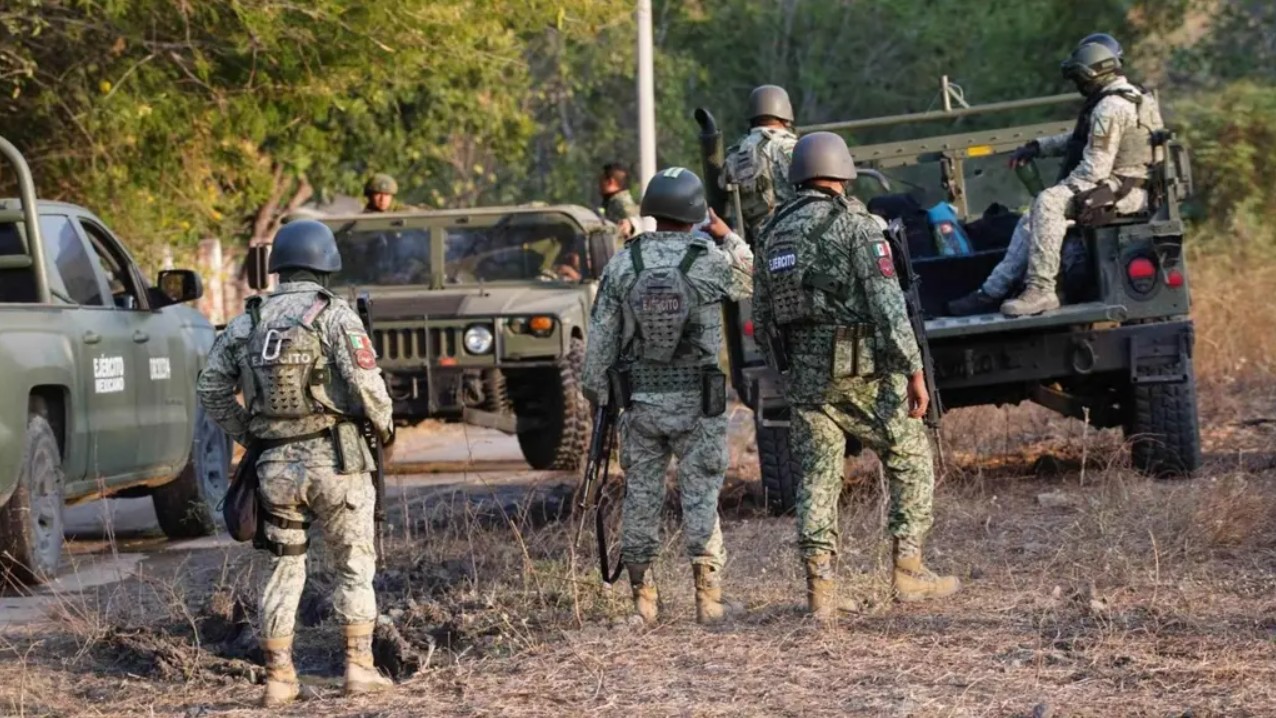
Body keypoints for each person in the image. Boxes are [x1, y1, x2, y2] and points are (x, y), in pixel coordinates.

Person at [753, 132, 959, 620]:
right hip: (863, 373)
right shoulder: (858, 225)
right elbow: (888, 308)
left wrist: (790, 369)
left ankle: (821, 592)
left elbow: (761, 318)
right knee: (910, 456)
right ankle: (908, 570)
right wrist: (914, 370)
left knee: (817, 479)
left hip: (805, 379)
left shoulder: (771, 232)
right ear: (842, 172)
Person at [196, 220, 396, 707]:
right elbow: (367, 386)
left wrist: (251, 434)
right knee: (353, 564)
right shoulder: (335, 314)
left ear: (279, 266)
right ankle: (359, 668)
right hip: (338, 463)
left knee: (283, 568)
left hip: (275, 469)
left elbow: (210, 388)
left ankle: (280, 678)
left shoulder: (248, 320)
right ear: (326, 263)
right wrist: (385, 427)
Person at [582, 167, 753, 626]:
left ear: (651, 210)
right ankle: (708, 600)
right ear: (695, 212)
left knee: (640, 496)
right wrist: (727, 235)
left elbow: (598, 349)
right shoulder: (707, 260)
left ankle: (643, 601)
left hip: (640, 404)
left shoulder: (624, 264)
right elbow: (753, 276)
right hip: (699, 404)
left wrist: (601, 399)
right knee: (701, 494)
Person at [948, 37, 1164, 317]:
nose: (1078, 84)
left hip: (1124, 191)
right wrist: (1038, 147)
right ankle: (991, 291)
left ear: (1092, 72)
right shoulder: (1131, 97)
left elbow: (1094, 169)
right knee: (1032, 217)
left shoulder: (1110, 107)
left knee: (1048, 202)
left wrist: (1059, 193)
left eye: (1079, 77)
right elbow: (1082, 140)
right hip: (1129, 187)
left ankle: (1041, 290)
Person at [721, 84, 800, 241]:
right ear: (786, 117)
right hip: (791, 236)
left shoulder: (734, 154)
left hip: (752, 241)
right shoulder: (787, 146)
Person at [599, 162, 641, 241]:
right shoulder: (613, 202)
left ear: (610, 182)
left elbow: (634, 222)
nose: (599, 184)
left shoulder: (621, 202)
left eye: (601, 180)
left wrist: (630, 225)